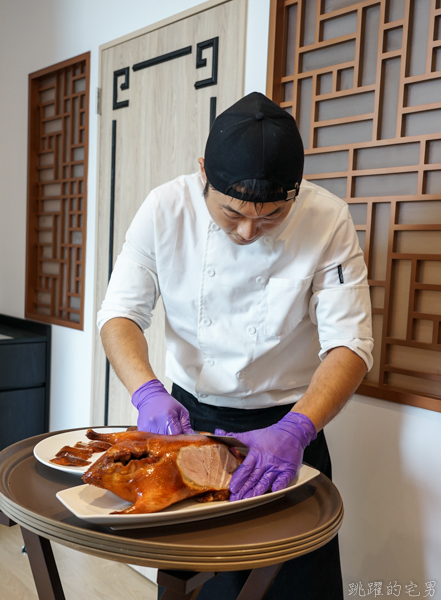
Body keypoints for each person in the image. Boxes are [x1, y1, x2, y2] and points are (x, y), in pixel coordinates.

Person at [97, 92, 373, 600]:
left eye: (271, 217)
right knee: (196, 582)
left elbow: (350, 345)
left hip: (289, 431)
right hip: (188, 421)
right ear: (203, 171)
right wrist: (146, 393)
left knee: (294, 584)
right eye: (232, 214)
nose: (249, 231)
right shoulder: (165, 209)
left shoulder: (328, 219)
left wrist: (296, 428)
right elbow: (120, 315)